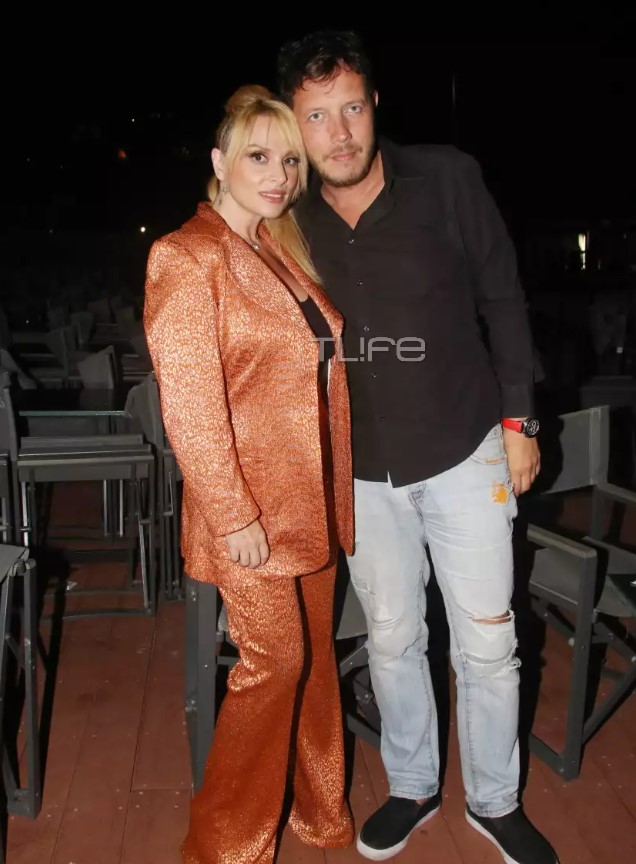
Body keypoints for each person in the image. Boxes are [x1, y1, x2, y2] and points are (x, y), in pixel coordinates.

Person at [277, 31, 559, 864]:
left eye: (350, 109)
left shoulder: (448, 178)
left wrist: (520, 422)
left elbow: (504, 298)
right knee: (392, 639)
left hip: (467, 448)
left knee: (489, 641)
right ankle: (412, 785)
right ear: (296, 126)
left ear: (375, 106)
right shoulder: (286, 217)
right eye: (317, 117)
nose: (338, 134)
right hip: (361, 472)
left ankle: (496, 800)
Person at [143, 84, 355, 864]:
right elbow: (191, 403)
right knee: (277, 664)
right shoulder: (186, 255)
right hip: (250, 513)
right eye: (259, 157)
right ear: (219, 160)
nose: (279, 175)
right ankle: (223, 847)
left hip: (311, 501)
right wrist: (234, 515)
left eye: (290, 161)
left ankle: (319, 809)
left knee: (316, 656)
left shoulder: (279, 249)